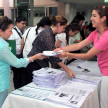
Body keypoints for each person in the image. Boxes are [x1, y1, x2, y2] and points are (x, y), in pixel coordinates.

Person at [54, 5, 108, 108]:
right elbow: (79, 45)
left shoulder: (106, 36)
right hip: (103, 70)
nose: (91, 18)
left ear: (103, 18)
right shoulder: (96, 33)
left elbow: (88, 55)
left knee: (105, 103)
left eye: (94, 16)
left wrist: (68, 55)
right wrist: (61, 49)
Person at [0, 16, 47, 107]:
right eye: (10, 31)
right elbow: (17, 63)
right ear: (0, 31)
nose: (11, 33)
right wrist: (34, 57)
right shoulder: (2, 47)